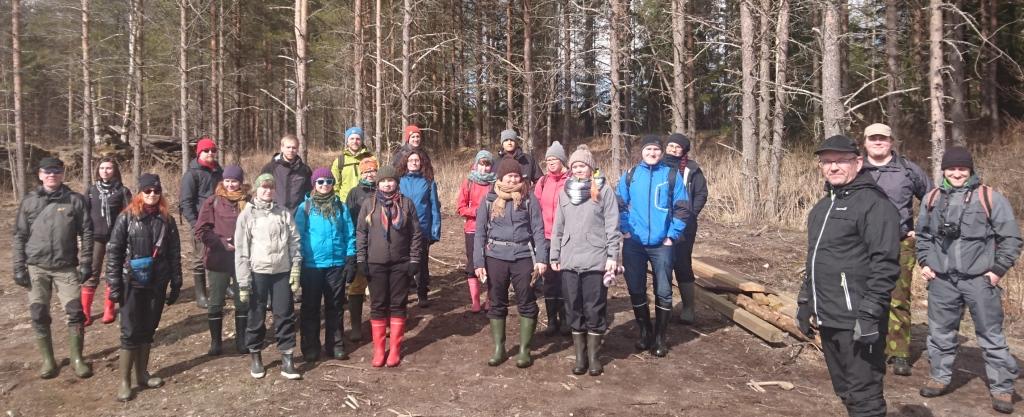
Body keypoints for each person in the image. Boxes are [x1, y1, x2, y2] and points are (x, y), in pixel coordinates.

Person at [795, 135, 900, 417]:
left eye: (841, 160)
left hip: (857, 317)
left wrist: (869, 314)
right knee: (844, 389)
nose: (833, 167)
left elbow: (885, 264)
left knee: (864, 395)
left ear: (858, 163)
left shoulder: (874, 204)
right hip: (828, 315)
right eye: (827, 162)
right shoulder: (821, 208)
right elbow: (814, 260)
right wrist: (805, 301)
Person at [915, 146, 1022, 414]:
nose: (956, 173)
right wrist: (925, 262)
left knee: (991, 335)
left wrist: (997, 271)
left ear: (970, 170)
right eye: (951, 168)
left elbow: (1011, 238)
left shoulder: (990, 198)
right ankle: (939, 377)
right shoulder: (931, 198)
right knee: (939, 333)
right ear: (944, 171)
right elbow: (923, 236)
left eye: (962, 169)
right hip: (942, 281)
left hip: (980, 281)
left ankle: (1002, 388)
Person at [859, 123, 932, 376]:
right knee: (861, 294)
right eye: (873, 138)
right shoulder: (856, 169)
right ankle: (867, 346)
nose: (878, 142)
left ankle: (899, 352)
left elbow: (933, 199)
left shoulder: (908, 170)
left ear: (891, 142)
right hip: (862, 244)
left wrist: (921, 230)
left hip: (899, 243)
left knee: (898, 298)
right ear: (865, 142)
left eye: (883, 138)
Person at [13, 157, 94, 380]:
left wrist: (86, 263)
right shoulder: (29, 201)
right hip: (36, 267)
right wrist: (18, 267)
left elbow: (87, 233)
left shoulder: (75, 200)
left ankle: (77, 359)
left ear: (62, 174)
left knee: (76, 312)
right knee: (39, 313)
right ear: (40, 175)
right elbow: (19, 235)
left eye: (56, 171)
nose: (52, 175)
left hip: (65, 267)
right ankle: (48, 360)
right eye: (47, 172)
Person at [105, 173, 183, 401]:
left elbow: (174, 252)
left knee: (148, 329)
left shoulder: (167, 220)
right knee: (130, 330)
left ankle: (142, 374)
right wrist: (114, 284)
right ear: (139, 193)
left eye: (156, 191)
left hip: (157, 282)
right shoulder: (126, 218)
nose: (152, 194)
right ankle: (124, 381)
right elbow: (114, 252)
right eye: (147, 191)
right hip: (131, 282)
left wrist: (176, 281)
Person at [550, 145, 620, 376]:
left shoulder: (604, 190)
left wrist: (613, 256)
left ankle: (594, 357)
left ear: (591, 167)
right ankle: (580, 357)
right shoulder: (564, 192)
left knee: (594, 307)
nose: (579, 169)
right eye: (575, 166)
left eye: (582, 166)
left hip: (595, 259)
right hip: (569, 259)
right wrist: (554, 254)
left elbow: (612, 226)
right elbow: (558, 227)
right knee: (573, 307)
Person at [617, 135, 688, 358]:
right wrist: (625, 229)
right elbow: (618, 204)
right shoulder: (630, 175)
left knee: (664, 290)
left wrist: (671, 236)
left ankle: (660, 338)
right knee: (635, 287)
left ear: (661, 152)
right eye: (648, 149)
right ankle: (645, 331)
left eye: (656, 150)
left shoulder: (671, 175)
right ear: (641, 152)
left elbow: (682, 208)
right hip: (634, 243)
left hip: (662, 244)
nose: (652, 153)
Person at [474, 159, 549, 368]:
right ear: (501, 177)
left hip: (523, 255)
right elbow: (480, 232)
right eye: (509, 176)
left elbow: (538, 230)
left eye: (516, 176)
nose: (513, 180)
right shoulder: (489, 199)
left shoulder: (529, 199)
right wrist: (478, 262)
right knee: (496, 301)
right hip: (495, 256)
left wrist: (541, 259)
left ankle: (524, 350)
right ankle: (499, 348)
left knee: (527, 301)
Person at [234, 173, 303, 380]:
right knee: (256, 316)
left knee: (285, 315)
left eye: (271, 187)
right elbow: (241, 250)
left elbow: (294, 241)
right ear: (256, 190)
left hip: (281, 271)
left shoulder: (283, 213)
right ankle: (256, 355)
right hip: (258, 273)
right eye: (263, 187)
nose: (267, 191)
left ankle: (287, 358)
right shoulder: (247, 215)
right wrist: (243, 282)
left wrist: (296, 267)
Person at [356, 165, 423, 367]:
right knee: (377, 305)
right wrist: (361, 259)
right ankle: (379, 350)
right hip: (375, 262)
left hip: (400, 263)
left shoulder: (406, 204)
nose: (387, 184)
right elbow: (361, 233)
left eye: (391, 180)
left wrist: (414, 259)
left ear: (397, 182)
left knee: (398, 305)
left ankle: (394, 349)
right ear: (378, 184)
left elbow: (416, 234)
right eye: (383, 181)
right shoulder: (369, 204)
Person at [295, 168, 357, 362]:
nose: (325, 185)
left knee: (335, 306)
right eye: (320, 181)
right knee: (310, 307)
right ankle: (310, 347)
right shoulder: (305, 207)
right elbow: (296, 236)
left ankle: (335, 345)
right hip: (311, 265)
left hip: (336, 264)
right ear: (314, 184)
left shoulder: (341, 207)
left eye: (329, 181)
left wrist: (350, 258)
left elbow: (349, 234)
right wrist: (298, 262)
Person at [194, 165, 250, 356]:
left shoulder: (248, 202)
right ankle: (216, 342)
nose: (231, 185)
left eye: (234, 181)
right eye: (227, 181)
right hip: (218, 259)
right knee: (216, 301)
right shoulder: (213, 202)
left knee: (242, 300)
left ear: (240, 182)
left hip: (242, 259)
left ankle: (242, 340)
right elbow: (201, 230)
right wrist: (221, 242)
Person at [663, 133, 708, 325]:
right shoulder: (658, 166)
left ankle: (688, 307)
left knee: (682, 264)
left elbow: (701, 194)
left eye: (677, 147)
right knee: (662, 265)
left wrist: (689, 215)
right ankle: (664, 306)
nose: (673, 149)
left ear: (684, 150)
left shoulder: (692, 169)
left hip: (684, 226)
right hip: (661, 225)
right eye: (670, 145)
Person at [84, 156, 132, 326]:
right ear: (98, 170)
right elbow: (85, 214)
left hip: (115, 237)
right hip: (95, 238)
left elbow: (128, 214)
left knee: (113, 271)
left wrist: (126, 235)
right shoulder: (91, 191)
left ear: (115, 171)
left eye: (109, 168)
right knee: (91, 272)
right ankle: (85, 311)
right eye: (102, 168)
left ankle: (109, 308)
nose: (105, 171)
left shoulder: (122, 191)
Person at [180, 136, 223, 309]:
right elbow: (185, 202)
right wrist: (194, 223)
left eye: (213, 150)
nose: (210, 153)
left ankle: (222, 287)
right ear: (199, 153)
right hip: (200, 223)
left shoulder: (219, 171)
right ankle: (201, 294)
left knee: (221, 255)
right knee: (200, 258)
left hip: (219, 221)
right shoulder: (191, 174)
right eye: (206, 150)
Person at [397, 148, 441, 307]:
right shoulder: (399, 181)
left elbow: (435, 208)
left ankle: (422, 293)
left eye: (416, 160)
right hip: (401, 228)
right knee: (402, 261)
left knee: (421, 263)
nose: (413, 163)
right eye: (410, 160)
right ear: (406, 163)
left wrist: (435, 230)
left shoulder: (428, 182)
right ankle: (403, 293)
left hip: (422, 228)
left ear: (421, 163)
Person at [535, 141, 570, 335]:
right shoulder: (542, 182)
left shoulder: (571, 181)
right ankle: (551, 320)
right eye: (548, 159)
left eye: (554, 159)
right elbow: (536, 209)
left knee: (564, 279)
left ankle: (565, 319)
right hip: (546, 237)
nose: (550, 162)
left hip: (566, 238)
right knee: (549, 280)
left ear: (562, 160)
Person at [456, 150, 496, 312]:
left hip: (492, 231)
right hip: (472, 229)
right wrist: (478, 212)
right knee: (473, 264)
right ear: (476, 164)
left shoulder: (496, 183)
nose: (484, 168)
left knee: (492, 264)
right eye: (481, 164)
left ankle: (490, 300)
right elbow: (460, 208)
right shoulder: (468, 182)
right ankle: (475, 301)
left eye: (487, 165)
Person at [344, 157, 379, 341]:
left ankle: (380, 323)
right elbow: (348, 222)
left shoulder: (383, 190)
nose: (370, 174)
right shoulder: (354, 193)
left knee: (379, 287)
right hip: (361, 245)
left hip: (379, 246)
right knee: (357, 287)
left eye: (373, 170)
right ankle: (356, 327)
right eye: (366, 171)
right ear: (361, 173)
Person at [260, 134, 313, 211]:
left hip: (298, 213)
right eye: (288, 147)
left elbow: (308, 193)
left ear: (297, 149)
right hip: (275, 212)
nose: (291, 150)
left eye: (294, 148)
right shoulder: (270, 168)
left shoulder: (305, 170)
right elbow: (261, 190)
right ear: (282, 148)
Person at [332, 126, 375, 203]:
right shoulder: (339, 161)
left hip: (367, 201)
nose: (355, 141)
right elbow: (335, 185)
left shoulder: (371, 159)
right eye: (352, 139)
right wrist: (338, 200)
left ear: (361, 141)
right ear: (347, 142)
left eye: (358, 139)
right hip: (345, 202)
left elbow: (378, 180)